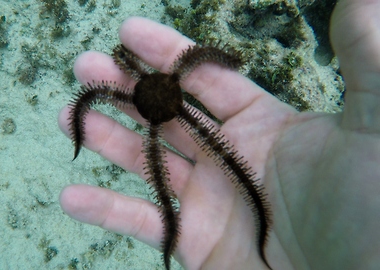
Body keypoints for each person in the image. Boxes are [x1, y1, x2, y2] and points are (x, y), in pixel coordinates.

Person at [58, 0, 380, 268]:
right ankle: (184, 238)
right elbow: (89, 97)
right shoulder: (163, 82)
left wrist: (231, 59)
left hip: (165, 108)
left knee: (230, 168)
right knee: (185, 175)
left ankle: (260, 226)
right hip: (162, 110)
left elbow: (99, 85)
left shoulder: (157, 81)